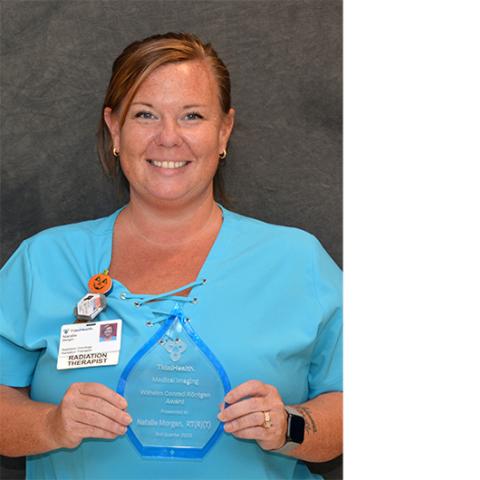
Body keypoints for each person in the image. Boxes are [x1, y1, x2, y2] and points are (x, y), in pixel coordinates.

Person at [0, 33, 342, 479]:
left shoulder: (297, 262)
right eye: (145, 114)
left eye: (192, 116)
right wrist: (51, 425)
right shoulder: (45, 261)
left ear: (224, 130)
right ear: (114, 128)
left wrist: (288, 426)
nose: (168, 138)